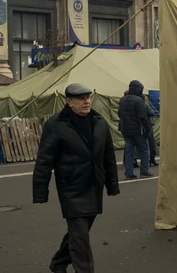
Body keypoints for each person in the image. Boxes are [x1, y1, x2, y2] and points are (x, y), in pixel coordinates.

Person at [32, 83, 120, 273]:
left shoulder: (99, 122)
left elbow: (109, 156)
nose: (87, 101)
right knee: (81, 239)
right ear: (69, 102)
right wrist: (40, 191)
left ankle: (58, 263)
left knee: (79, 233)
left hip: (94, 186)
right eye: (81, 98)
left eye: (88, 97)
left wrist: (112, 185)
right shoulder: (56, 125)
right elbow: (44, 160)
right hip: (71, 188)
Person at [118, 80, 152, 179]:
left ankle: (129, 173)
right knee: (144, 150)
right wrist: (148, 129)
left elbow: (119, 114)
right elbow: (143, 116)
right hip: (138, 130)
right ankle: (144, 171)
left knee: (129, 151)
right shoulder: (139, 100)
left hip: (126, 130)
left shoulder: (123, 100)